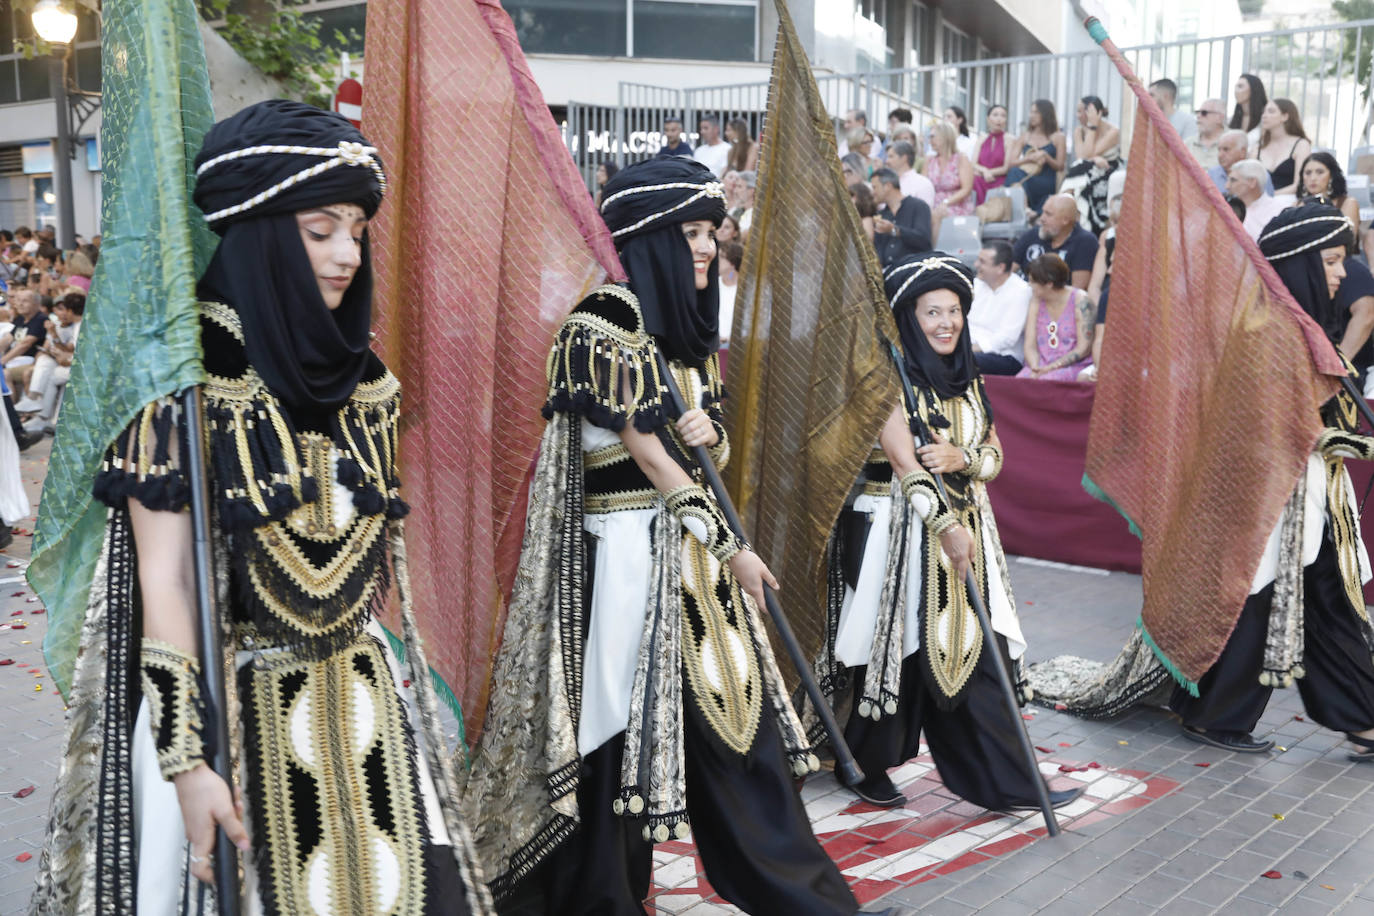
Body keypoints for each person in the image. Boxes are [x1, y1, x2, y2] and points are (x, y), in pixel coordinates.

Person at [31, 100, 493, 914]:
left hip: (365, 706)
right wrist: (189, 763)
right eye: (321, 230)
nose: (348, 253)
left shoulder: (365, 382)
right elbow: (167, 580)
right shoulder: (181, 384)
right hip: (231, 716)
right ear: (261, 231)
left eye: (357, 230)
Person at [464, 157, 889, 916]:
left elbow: (703, 439)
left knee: (742, 736)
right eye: (690, 231)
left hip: (691, 561)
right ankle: (601, 900)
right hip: (628, 564)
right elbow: (653, 461)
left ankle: (818, 907)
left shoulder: (681, 333)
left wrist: (708, 429)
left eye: (711, 232)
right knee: (615, 744)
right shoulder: (601, 323)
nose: (705, 246)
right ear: (650, 236)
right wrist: (734, 548)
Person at [812, 251, 1080, 813]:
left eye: (954, 310)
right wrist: (946, 525)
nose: (946, 323)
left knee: (977, 653)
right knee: (898, 654)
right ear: (910, 318)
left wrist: (964, 458)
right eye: (932, 312)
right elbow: (904, 464)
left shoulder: (967, 375)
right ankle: (862, 763)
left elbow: (994, 454)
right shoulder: (886, 377)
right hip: (897, 535)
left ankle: (1009, 780)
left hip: (968, 536)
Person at [1169, 201, 1374, 759]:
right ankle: (1213, 714)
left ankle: (1360, 718)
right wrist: (1351, 443)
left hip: (1313, 499)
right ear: (1302, 264)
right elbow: (1268, 426)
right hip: (1270, 504)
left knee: (1323, 604)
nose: (1342, 273)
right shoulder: (1265, 331)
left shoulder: (1307, 329)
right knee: (1267, 604)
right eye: (1331, 261)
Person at [1015, 254, 1094, 380]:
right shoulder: (1036, 300)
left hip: (1073, 365)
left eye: (1033, 281)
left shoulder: (1080, 300)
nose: (1029, 285)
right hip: (1041, 364)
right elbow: (1030, 345)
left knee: (1047, 380)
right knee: (1021, 381)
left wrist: (1050, 368)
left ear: (1049, 284)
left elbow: (1083, 348)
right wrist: (1035, 367)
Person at [1010, 195, 1099, 290]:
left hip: (1055, 297)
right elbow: (1007, 270)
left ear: (1065, 220)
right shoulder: (1033, 234)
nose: (1042, 218)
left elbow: (1076, 291)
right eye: (1043, 212)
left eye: (1048, 214)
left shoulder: (1085, 242)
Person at [1060, 96, 1121, 234]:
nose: (1078, 115)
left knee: (1078, 174)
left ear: (1096, 113)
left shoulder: (1113, 131)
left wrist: (1093, 127)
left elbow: (1086, 155)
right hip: (1086, 169)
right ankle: (1065, 204)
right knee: (1079, 170)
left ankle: (1064, 203)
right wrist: (1094, 158)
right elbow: (1083, 157)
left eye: (1082, 111)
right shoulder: (1078, 131)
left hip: (1107, 169)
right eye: (1077, 111)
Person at [970, 240, 1031, 375]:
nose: (976, 265)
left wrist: (969, 349)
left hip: (1005, 356)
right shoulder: (976, 284)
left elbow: (1007, 338)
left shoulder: (1021, 291)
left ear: (1000, 268)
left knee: (964, 361)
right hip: (971, 349)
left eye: (982, 262)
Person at [1004, 99, 1066, 217]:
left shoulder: (1058, 137)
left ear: (1045, 113)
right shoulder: (1025, 136)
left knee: (1017, 177)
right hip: (1027, 177)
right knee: (1014, 172)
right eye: (1031, 112)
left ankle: (1030, 213)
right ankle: (1025, 210)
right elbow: (1011, 163)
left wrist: (1046, 156)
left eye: (1036, 112)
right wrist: (1029, 158)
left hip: (1047, 180)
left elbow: (1060, 166)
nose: (1031, 116)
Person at [870, 167, 933, 268]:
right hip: (888, 272)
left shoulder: (918, 206)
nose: (873, 192)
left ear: (887, 186)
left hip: (914, 269)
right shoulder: (881, 214)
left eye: (875, 187)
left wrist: (894, 230)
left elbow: (924, 241)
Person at [925, 121, 975, 239]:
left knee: (938, 215)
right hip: (932, 203)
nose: (930, 140)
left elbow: (966, 189)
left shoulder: (961, 158)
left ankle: (935, 249)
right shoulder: (929, 160)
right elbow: (924, 186)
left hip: (956, 203)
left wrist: (946, 202)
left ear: (945, 137)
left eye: (933, 136)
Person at [1255, 98, 1310, 196]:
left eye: (1271, 111)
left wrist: (1270, 196)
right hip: (1259, 201)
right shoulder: (1257, 147)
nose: (1264, 115)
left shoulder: (1301, 145)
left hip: (1288, 201)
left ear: (1285, 116)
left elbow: (1299, 185)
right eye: (1264, 112)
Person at [1299, 151, 1361, 230]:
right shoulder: (1298, 205)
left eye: (1320, 172)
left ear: (1332, 175)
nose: (1313, 178)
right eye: (1308, 173)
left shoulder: (1348, 203)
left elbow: (1348, 236)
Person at [1229, 159, 1285, 241]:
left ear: (1252, 182)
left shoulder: (1278, 212)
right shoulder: (1230, 210)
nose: (1227, 186)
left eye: (1233, 180)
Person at [1208, 129, 1274, 196]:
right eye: (1219, 150)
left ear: (1243, 151)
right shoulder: (1213, 173)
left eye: (1226, 149)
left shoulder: (1259, 174)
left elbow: (1267, 201)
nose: (1220, 155)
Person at [973, 104, 1011, 205]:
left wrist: (990, 173)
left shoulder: (1009, 139)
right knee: (973, 179)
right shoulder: (981, 138)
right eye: (995, 115)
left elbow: (1006, 168)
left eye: (1003, 116)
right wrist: (985, 171)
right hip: (981, 178)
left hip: (999, 179)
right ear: (988, 119)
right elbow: (973, 163)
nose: (999, 119)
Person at [885, 140, 935, 207]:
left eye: (891, 156)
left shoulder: (923, 184)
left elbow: (924, 212)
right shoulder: (886, 182)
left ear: (904, 158)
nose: (887, 161)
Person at [1187, 98, 1226, 169]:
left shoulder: (1234, 140)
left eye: (1204, 113)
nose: (1198, 116)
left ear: (1220, 117)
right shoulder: (1187, 144)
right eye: (1197, 112)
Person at [1230, 73, 1268, 142]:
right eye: (1235, 87)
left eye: (1240, 86)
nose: (1236, 91)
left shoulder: (1266, 117)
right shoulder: (1232, 119)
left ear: (1253, 89)